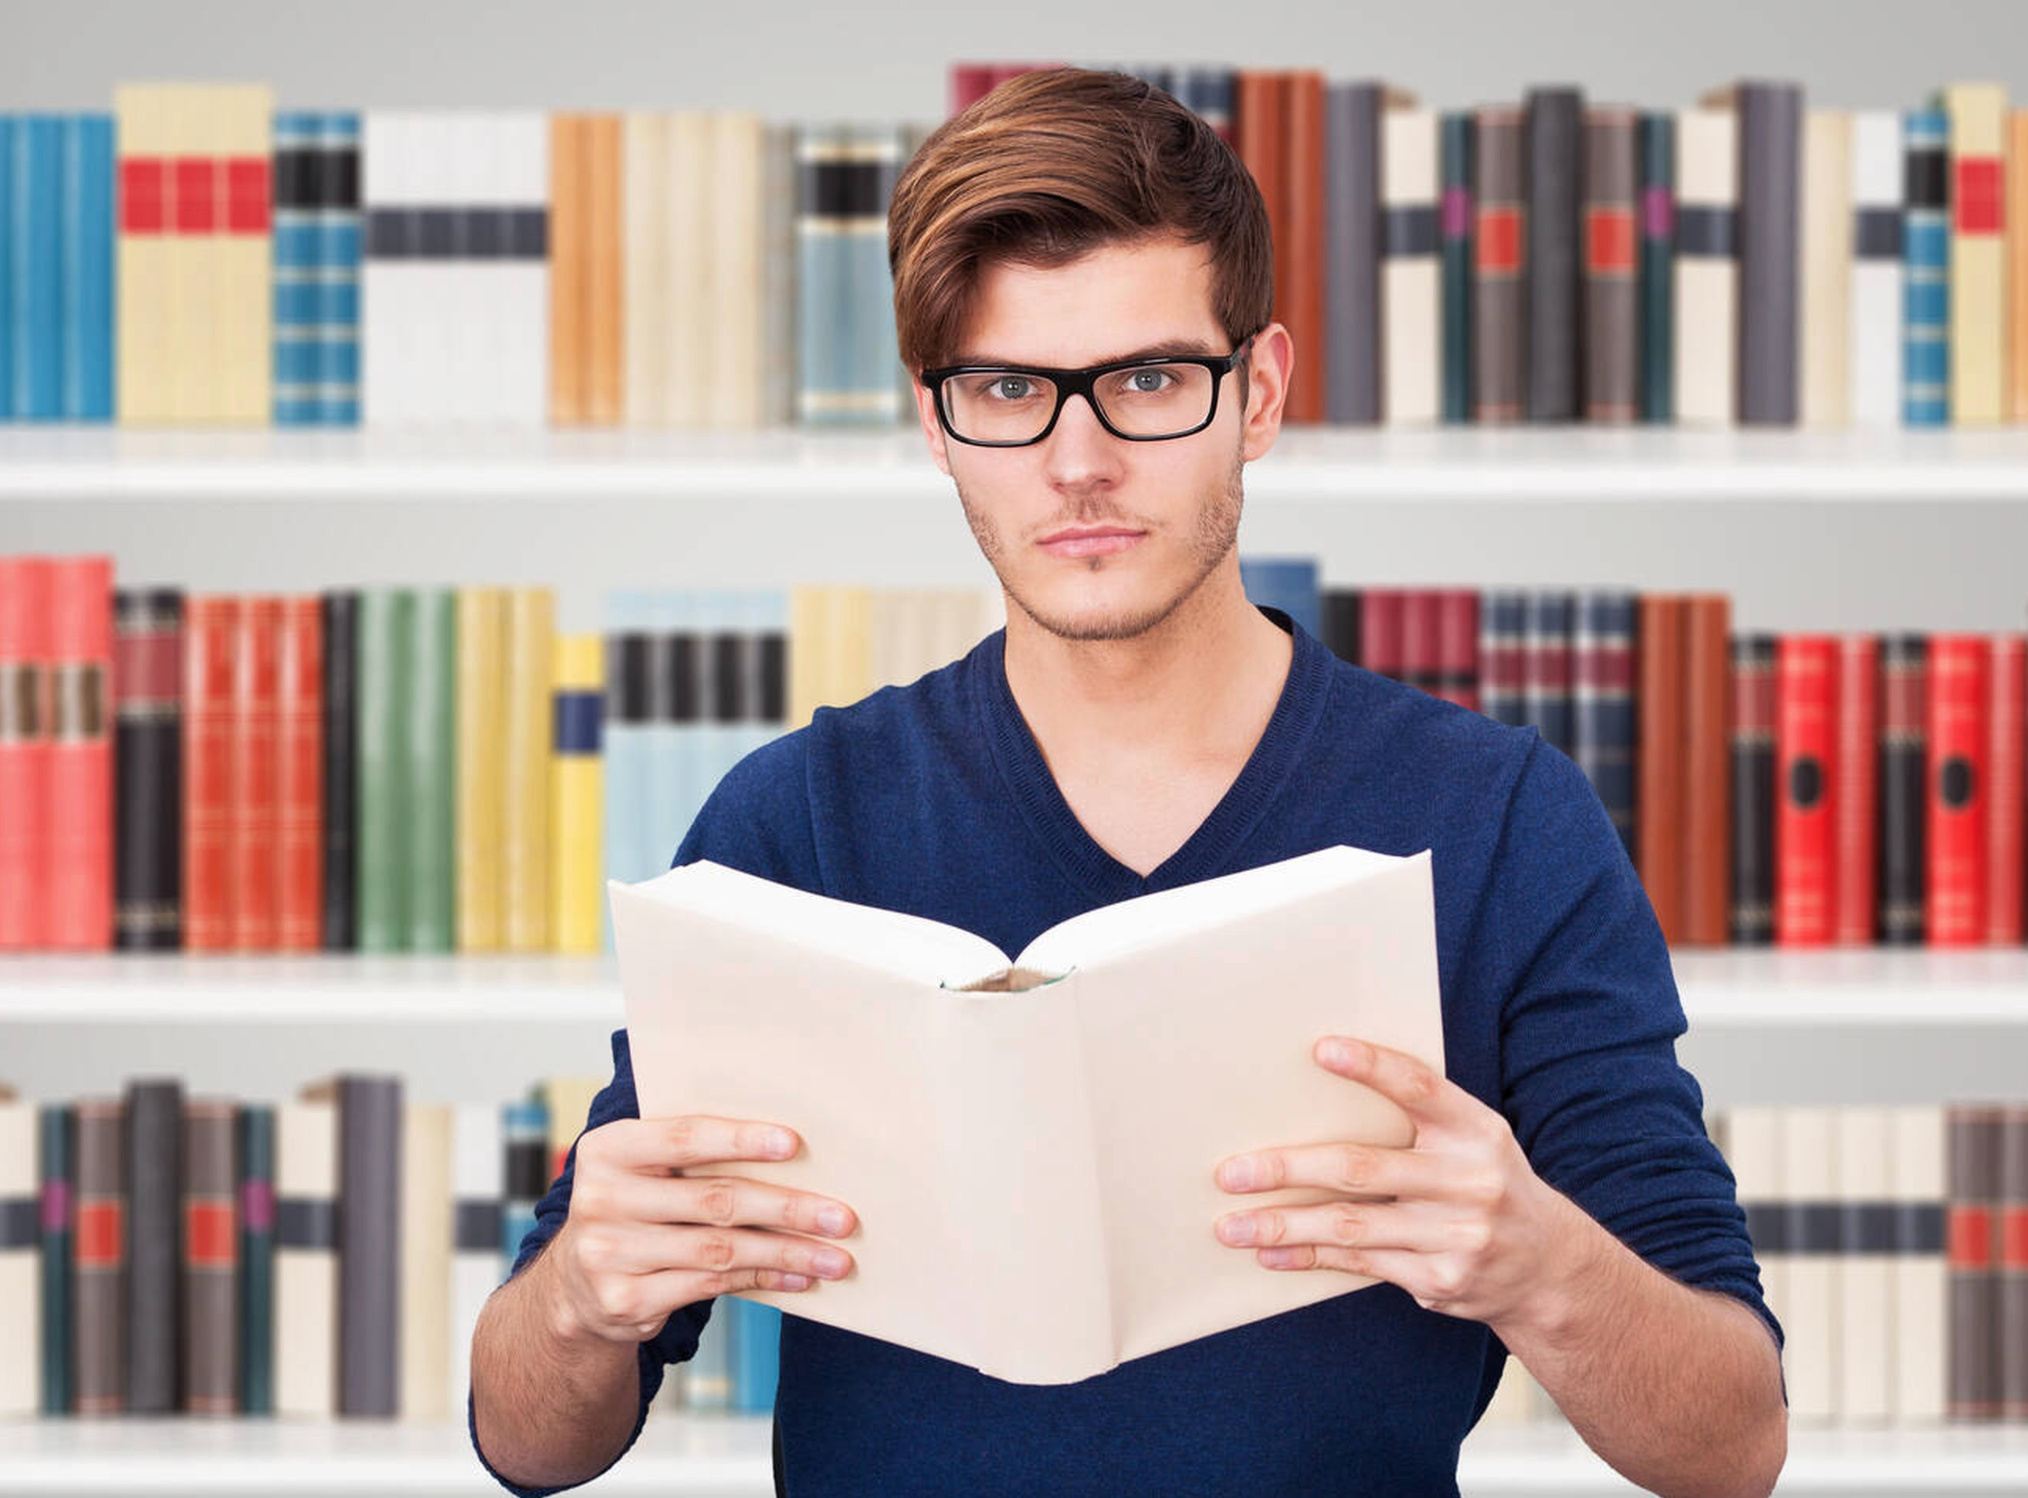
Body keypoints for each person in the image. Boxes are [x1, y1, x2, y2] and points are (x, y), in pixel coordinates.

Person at [469, 66, 1787, 1498]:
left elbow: (1732, 1447)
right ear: (936, 423)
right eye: (1008, 391)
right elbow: (529, 1442)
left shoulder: (1499, 817)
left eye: (1150, 381)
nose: (1079, 463)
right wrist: (583, 1294)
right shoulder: (796, 822)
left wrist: (1542, 1267)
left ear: (1257, 393)